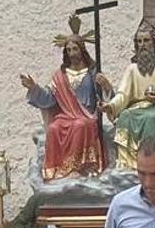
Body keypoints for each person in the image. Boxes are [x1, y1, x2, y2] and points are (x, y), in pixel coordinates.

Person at [21, 31, 111, 179]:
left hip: (87, 116)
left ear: (82, 49)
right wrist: (34, 88)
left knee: (80, 125)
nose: (72, 53)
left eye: (75, 49)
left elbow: (104, 96)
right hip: (66, 116)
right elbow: (48, 98)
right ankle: (57, 170)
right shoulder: (60, 75)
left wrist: (106, 87)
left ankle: (77, 167)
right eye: (68, 50)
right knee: (54, 128)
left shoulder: (92, 72)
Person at [102, 21, 155, 169]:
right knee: (125, 117)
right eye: (139, 41)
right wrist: (111, 105)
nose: (142, 44)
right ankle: (128, 165)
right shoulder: (132, 69)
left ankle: (153, 161)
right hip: (136, 109)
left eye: (146, 40)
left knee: (152, 117)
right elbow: (123, 94)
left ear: (154, 42)